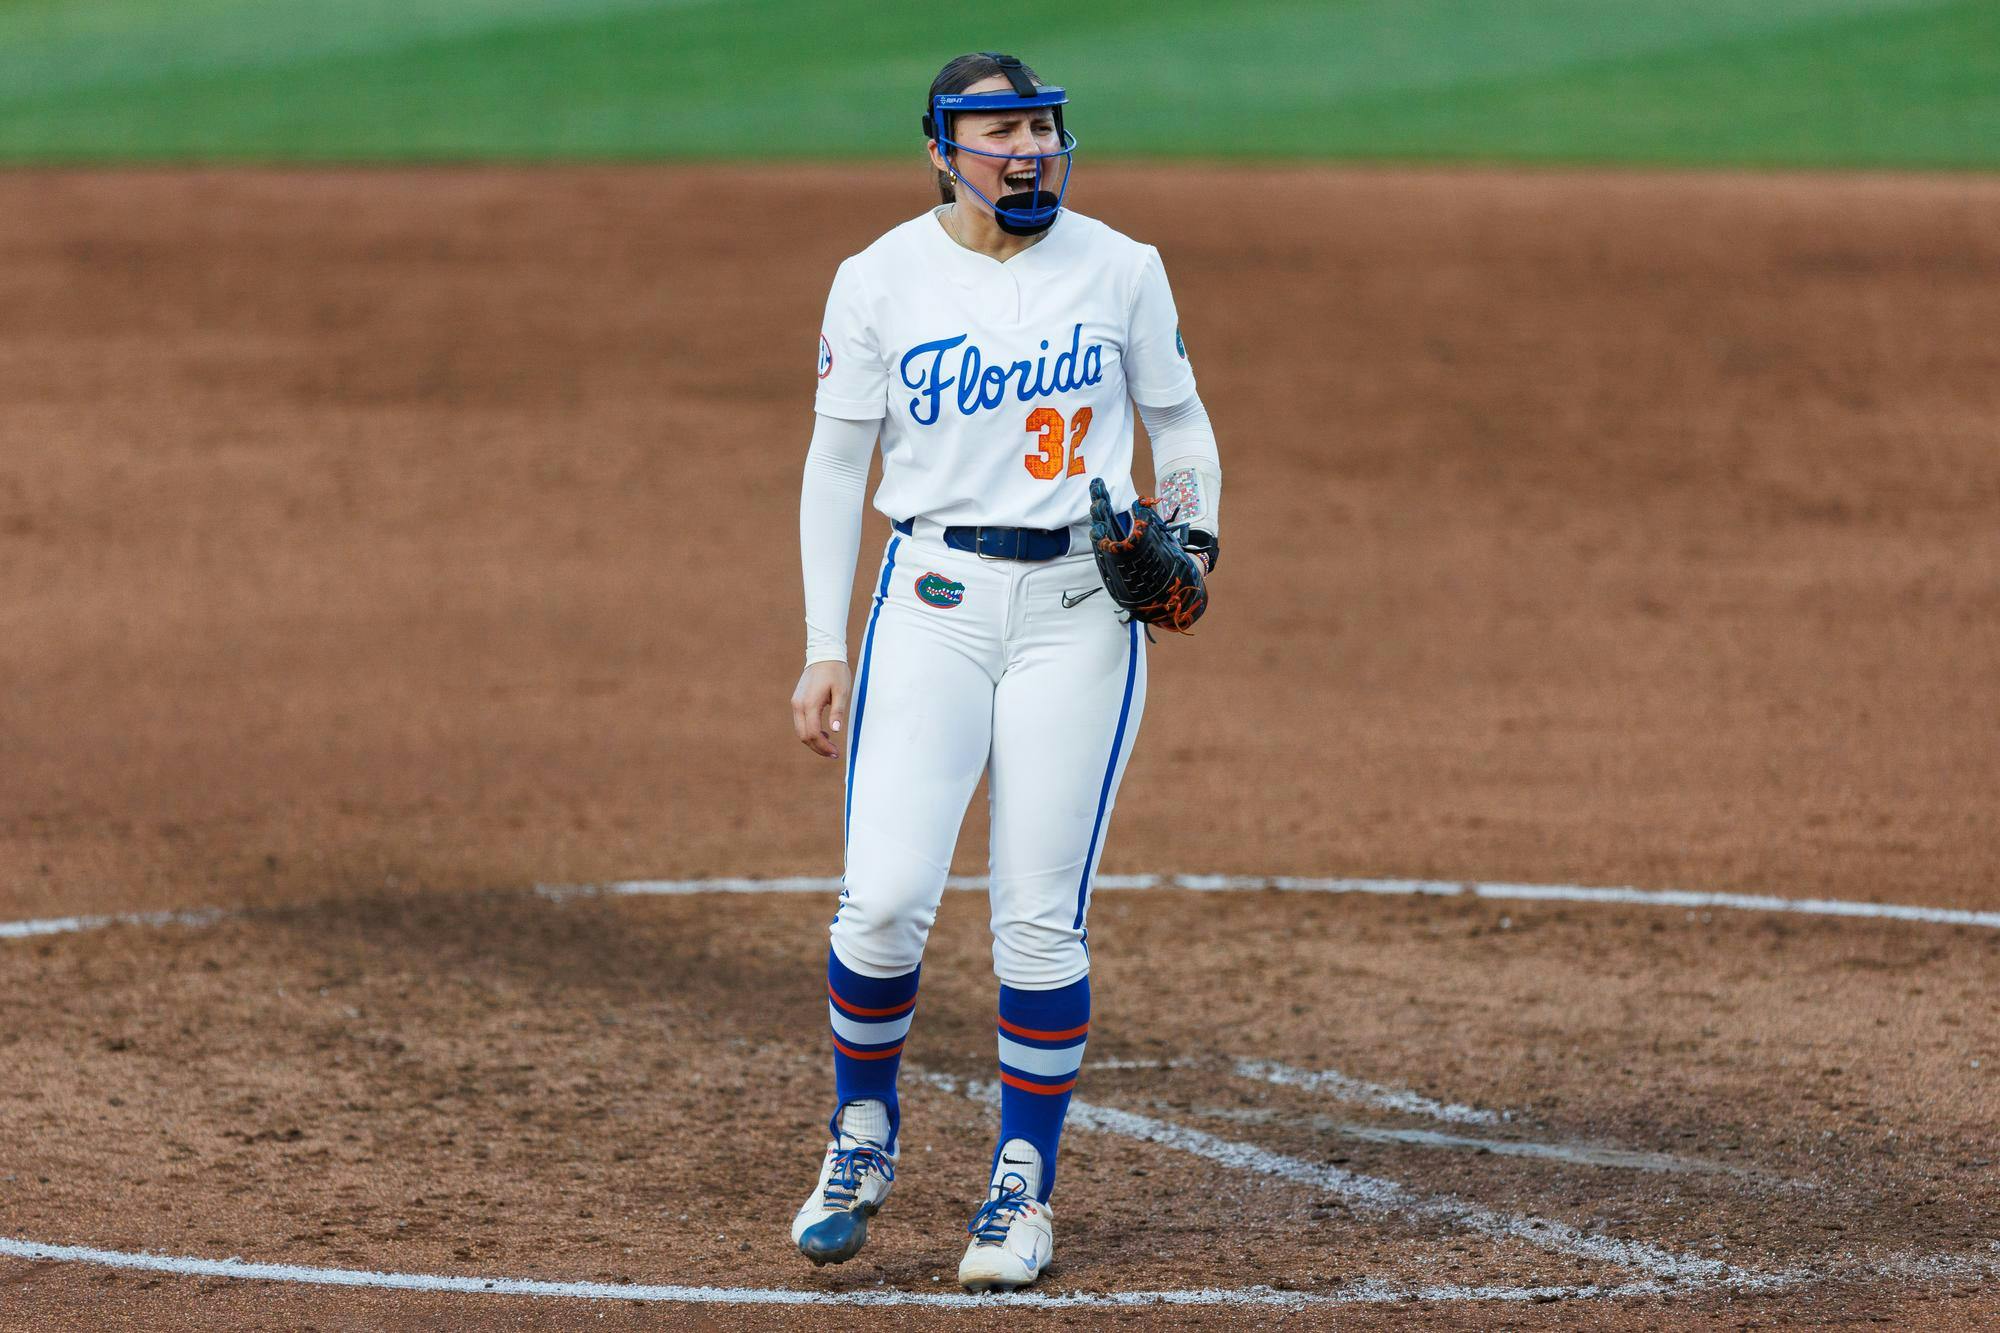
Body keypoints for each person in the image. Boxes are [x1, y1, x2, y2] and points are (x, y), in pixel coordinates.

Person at [786, 50, 1223, 1293]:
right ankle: (860, 1136)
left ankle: (1019, 1188)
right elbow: (835, 466)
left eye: (1037, 126)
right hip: (928, 599)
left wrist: (1191, 536)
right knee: (878, 900)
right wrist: (825, 643)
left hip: (1082, 609)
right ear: (941, 149)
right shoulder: (876, 279)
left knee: (1035, 918)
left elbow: (1178, 419)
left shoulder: (1121, 267)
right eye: (996, 132)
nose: (1025, 149)